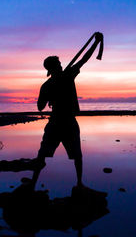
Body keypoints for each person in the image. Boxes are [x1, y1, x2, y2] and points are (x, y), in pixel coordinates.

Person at [30, 32, 104, 188]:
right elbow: (40, 106)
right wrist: (50, 95)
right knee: (47, 154)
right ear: (54, 67)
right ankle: (35, 184)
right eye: (58, 63)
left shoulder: (60, 78)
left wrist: (96, 42)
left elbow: (84, 58)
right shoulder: (53, 83)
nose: (61, 64)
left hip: (62, 121)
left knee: (70, 154)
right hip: (62, 122)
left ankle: (77, 183)